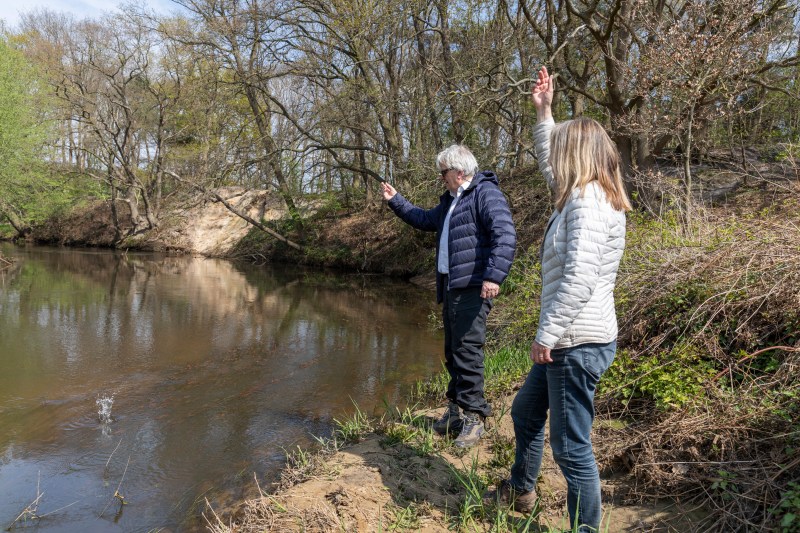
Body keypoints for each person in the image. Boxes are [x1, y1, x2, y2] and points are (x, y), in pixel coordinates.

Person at [485, 67, 632, 531]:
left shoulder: (588, 202)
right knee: (526, 411)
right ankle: (523, 489)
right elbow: (551, 164)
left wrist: (545, 335)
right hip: (570, 336)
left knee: (570, 448)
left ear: (578, 154)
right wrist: (545, 113)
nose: (554, 156)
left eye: (561, 145)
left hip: (574, 341)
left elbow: (580, 277)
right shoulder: (579, 194)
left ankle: (584, 528)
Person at [381, 144, 516, 448]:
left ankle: (475, 416)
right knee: (453, 351)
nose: (441, 178)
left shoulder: (486, 194)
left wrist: (494, 276)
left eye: (443, 173)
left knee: (468, 351)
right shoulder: (452, 201)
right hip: (453, 286)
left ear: (458, 172)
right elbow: (424, 220)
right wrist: (396, 201)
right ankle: (456, 410)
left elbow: (505, 235)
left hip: (473, 286)